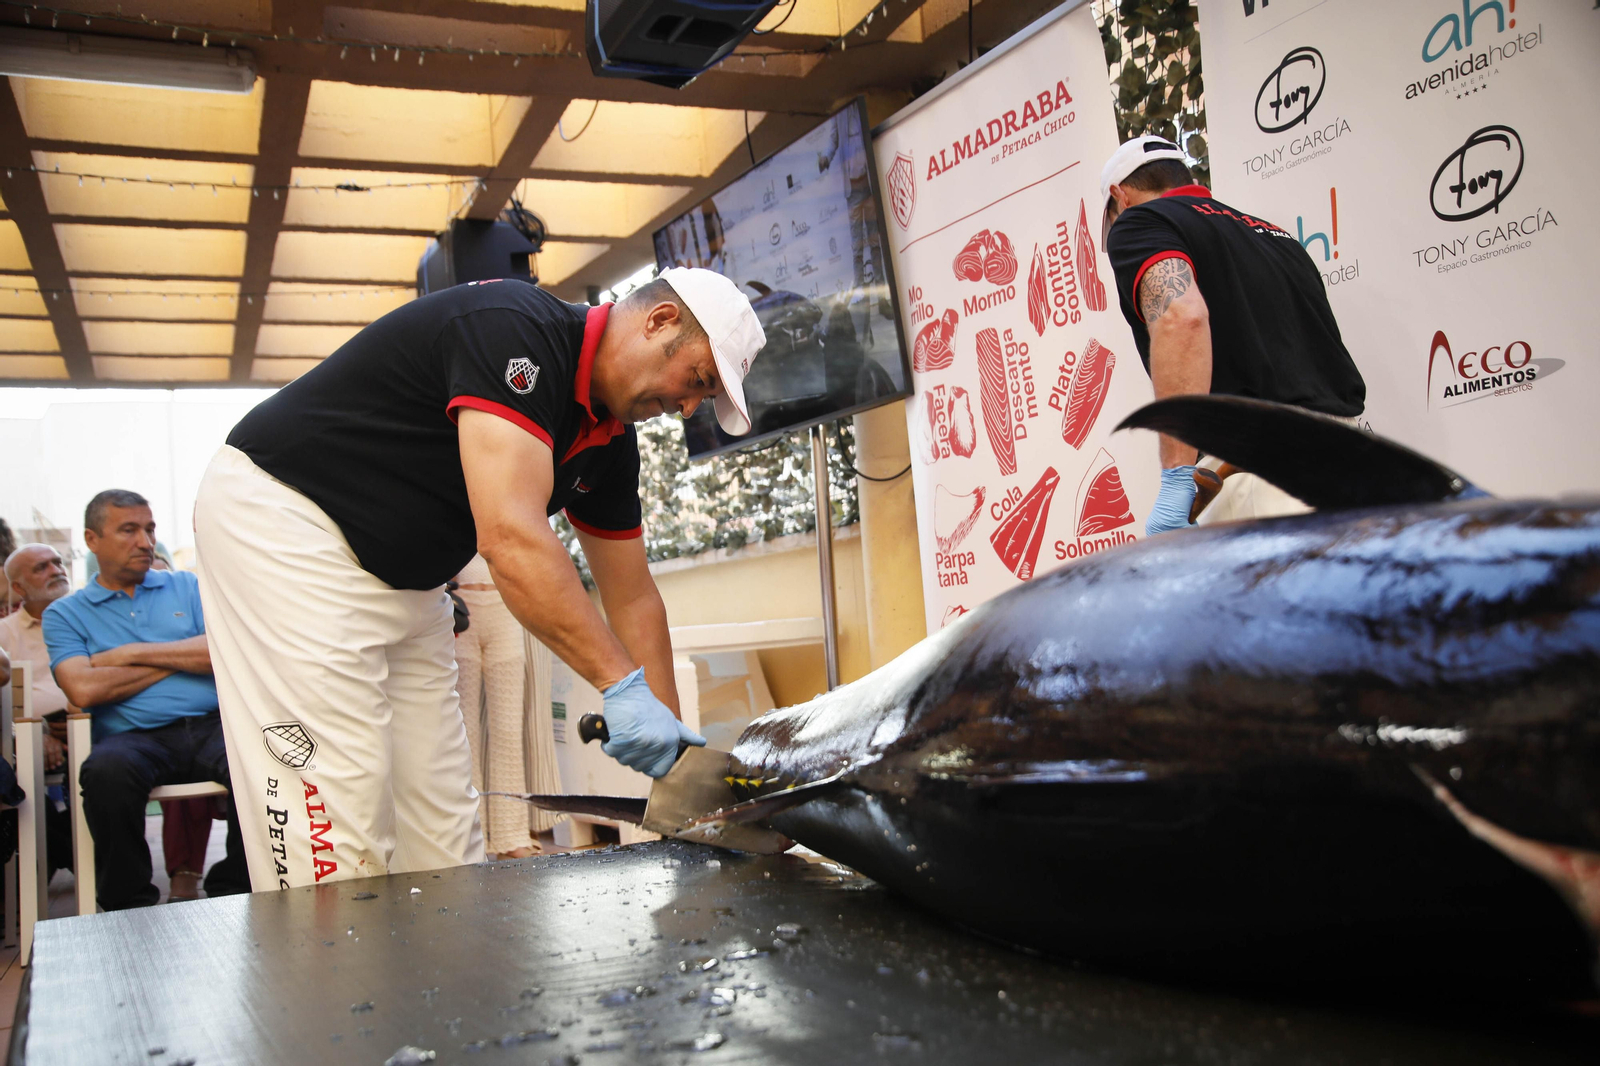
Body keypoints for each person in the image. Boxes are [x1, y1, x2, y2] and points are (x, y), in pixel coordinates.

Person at [193, 267, 766, 890]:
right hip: (288, 528)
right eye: (698, 381)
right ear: (659, 322)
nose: (686, 408)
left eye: (701, 400)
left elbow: (633, 598)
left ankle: (428, 987)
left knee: (443, 833)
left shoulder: (611, 443)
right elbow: (510, 538)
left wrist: (675, 772)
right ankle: (323, 978)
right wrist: (619, 687)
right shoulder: (514, 331)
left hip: (408, 580)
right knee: (338, 826)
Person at [1100, 136, 1366, 535]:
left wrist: (1176, 479)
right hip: (1355, 473)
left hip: (1263, 481)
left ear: (1120, 196)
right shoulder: (1279, 240)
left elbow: (1182, 316)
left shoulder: (1143, 221)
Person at [42, 490, 250, 910]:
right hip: (132, 738)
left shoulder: (186, 586)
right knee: (105, 773)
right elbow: (83, 689)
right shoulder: (66, 614)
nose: (145, 541)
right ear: (92, 539)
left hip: (211, 725)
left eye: (150, 529)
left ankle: (237, 888)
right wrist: (179, 657)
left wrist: (124, 655)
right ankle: (128, 906)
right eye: (129, 530)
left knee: (264, 757)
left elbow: (222, 650)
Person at [453, 554, 562, 859]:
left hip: (505, 608)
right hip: (458, 607)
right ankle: (469, 834)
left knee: (509, 730)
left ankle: (511, 835)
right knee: (463, 735)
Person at [3, 544, 76, 876]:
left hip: (88, 721)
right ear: (19, 588)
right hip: (27, 732)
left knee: (98, 772)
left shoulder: (89, 617)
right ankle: (74, 856)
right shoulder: (5, 633)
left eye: (58, 563)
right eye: (42, 567)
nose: (56, 570)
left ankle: (61, 856)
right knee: (21, 787)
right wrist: (36, 729)